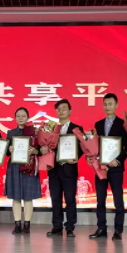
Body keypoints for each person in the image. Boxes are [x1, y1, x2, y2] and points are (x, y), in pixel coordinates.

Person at [89, 93, 127, 240]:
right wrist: (91, 158)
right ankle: (101, 228)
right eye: (105, 104)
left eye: (110, 104)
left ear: (116, 105)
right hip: (100, 167)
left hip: (116, 167)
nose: (107, 107)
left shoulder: (123, 124)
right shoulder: (98, 124)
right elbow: (94, 146)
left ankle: (118, 230)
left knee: (118, 200)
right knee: (100, 199)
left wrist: (118, 160)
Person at [43, 99, 84, 238]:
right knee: (55, 200)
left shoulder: (76, 129)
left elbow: (83, 147)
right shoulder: (51, 128)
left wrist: (76, 157)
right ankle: (57, 226)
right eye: (59, 109)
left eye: (64, 108)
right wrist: (43, 149)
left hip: (69, 169)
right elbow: (45, 145)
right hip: (54, 169)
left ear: (70, 111)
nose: (61, 111)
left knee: (70, 200)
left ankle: (70, 227)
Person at [4, 107, 41, 235]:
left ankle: (27, 225)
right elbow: (5, 153)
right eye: (18, 116)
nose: (20, 118)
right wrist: (8, 149)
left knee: (28, 197)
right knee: (16, 197)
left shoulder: (34, 132)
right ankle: (17, 224)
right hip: (14, 166)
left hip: (29, 166)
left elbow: (40, 150)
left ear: (28, 118)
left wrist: (35, 151)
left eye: (23, 116)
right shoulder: (11, 132)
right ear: (15, 118)